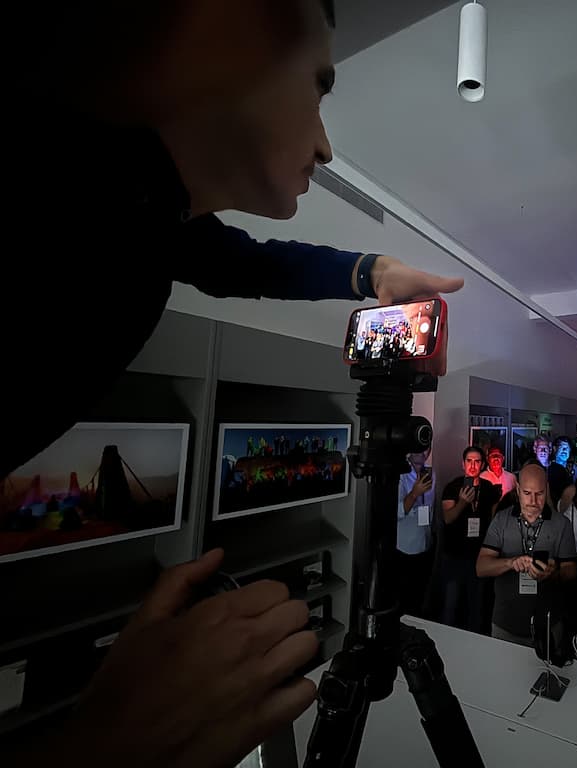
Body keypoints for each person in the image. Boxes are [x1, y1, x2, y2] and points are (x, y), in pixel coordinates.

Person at [8, 4, 465, 766]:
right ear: (223, 35)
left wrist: (371, 271)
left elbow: (243, 262)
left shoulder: (140, 208)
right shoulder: (70, 179)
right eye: (317, 88)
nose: (325, 145)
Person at [476, 464, 577, 646]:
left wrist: (553, 573)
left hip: (548, 624)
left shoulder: (562, 524)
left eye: (539, 494)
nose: (533, 501)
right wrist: (510, 563)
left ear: (547, 489)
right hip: (505, 623)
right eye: (527, 493)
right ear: (517, 489)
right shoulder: (501, 519)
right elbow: (481, 568)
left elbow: (571, 570)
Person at [439, 447, 500, 632]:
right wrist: (463, 503)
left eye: (477, 461)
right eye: (469, 461)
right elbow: (448, 518)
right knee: (451, 605)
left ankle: (475, 640)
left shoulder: (488, 488)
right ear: (463, 463)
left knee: (477, 606)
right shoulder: (452, 487)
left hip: (479, 555)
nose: (473, 465)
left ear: (482, 464)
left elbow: (493, 519)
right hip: (455, 555)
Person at [396, 449, 436, 617]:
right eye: (417, 448)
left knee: (421, 597)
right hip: (406, 549)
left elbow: (431, 508)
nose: (422, 452)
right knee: (405, 599)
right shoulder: (401, 475)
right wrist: (414, 493)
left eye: (426, 447)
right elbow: (397, 513)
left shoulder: (431, 474)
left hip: (426, 544)